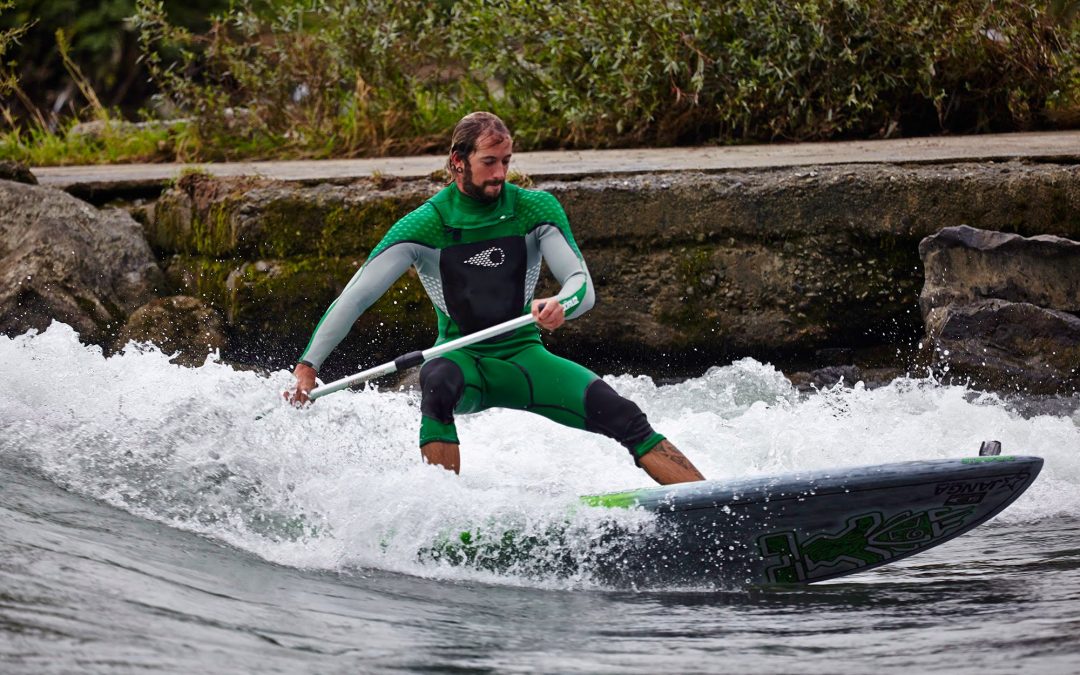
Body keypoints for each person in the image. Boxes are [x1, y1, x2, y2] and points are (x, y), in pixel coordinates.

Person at [287, 112, 704, 485]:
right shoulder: (425, 225)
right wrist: (308, 367)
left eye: (506, 161)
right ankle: (442, 513)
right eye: (489, 161)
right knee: (436, 381)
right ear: (457, 162)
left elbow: (580, 284)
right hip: (464, 360)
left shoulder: (534, 209)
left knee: (625, 415)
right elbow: (355, 298)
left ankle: (712, 503)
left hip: (525, 358)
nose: (500, 173)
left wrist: (561, 304)